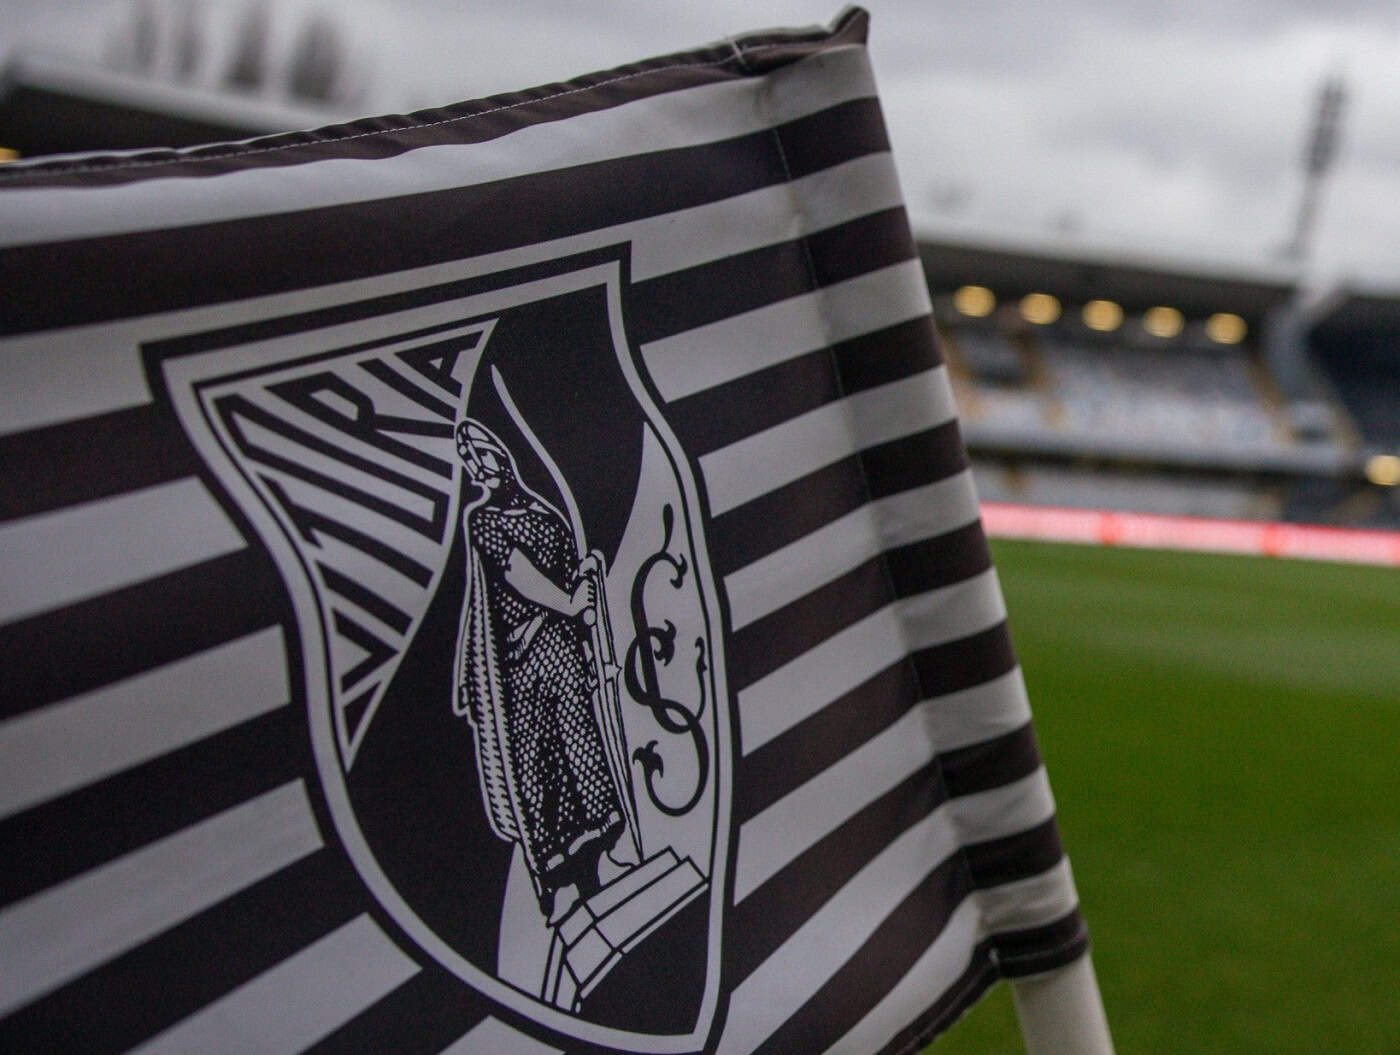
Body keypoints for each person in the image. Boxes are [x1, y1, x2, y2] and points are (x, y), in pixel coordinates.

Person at [452, 418, 627, 921]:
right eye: (470, 460)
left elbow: (570, 568)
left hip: (563, 651)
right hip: (520, 663)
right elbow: (515, 573)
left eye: (481, 452)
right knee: (536, 768)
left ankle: (602, 858)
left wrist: (584, 583)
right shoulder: (483, 521)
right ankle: (560, 880)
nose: (479, 466)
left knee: (582, 747)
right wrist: (568, 603)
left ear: (500, 452)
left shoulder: (544, 513)